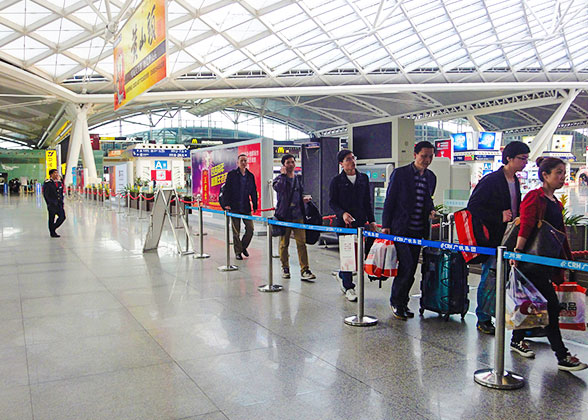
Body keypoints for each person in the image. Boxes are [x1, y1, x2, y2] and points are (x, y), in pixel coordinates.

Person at [510, 157, 587, 371]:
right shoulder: (535, 197)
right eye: (558, 173)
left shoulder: (554, 201)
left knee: (531, 303)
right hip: (531, 261)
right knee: (550, 305)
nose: (563, 177)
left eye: (564, 173)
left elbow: (559, 232)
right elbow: (525, 225)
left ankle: (516, 340)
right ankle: (562, 355)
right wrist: (518, 252)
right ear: (545, 175)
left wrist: (568, 259)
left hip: (545, 262)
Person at [467, 141, 530, 334]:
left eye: (527, 159)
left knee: (500, 278)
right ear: (509, 158)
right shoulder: (492, 179)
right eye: (521, 158)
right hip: (493, 238)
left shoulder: (515, 180)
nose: (525, 163)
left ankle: (495, 314)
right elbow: (473, 206)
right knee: (490, 276)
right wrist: (498, 216)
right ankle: (483, 318)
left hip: (508, 236)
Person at [382, 141, 437, 320]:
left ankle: (403, 302)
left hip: (417, 230)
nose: (427, 160)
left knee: (412, 268)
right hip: (400, 229)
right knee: (405, 267)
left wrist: (432, 209)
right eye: (423, 156)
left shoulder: (431, 177)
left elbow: (427, 199)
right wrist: (386, 225)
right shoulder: (401, 174)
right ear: (415, 155)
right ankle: (396, 301)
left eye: (430, 156)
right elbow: (390, 200)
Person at [329, 149, 377, 302]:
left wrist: (372, 220)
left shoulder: (363, 178)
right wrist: (342, 213)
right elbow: (332, 202)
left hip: (361, 222)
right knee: (348, 255)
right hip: (344, 224)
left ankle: (342, 275)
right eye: (348, 159)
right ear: (341, 164)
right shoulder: (336, 181)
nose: (352, 161)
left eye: (353, 158)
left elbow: (367, 201)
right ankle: (349, 286)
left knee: (359, 255)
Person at [273, 154, 316, 282]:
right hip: (285, 216)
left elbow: (299, 193)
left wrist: (303, 199)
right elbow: (278, 189)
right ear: (284, 165)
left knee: (301, 243)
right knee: (284, 243)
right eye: (288, 162)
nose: (291, 164)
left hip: (298, 216)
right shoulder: (279, 179)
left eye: (293, 162)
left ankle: (305, 269)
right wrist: (283, 176)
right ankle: (285, 267)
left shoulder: (298, 179)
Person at [223, 153, 258, 260]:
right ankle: (238, 252)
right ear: (237, 163)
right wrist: (226, 204)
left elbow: (253, 191)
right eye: (241, 161)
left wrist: (255, 204)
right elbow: (226, 190)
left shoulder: (250, 176)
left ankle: (243, 246)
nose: (243, 163)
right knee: (236, 231)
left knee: (250, 229)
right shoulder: (232, 174)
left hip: (246, 206)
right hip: (234, 206)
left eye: (245, 161)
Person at [43, 169, 66, 238]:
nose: (56, 174)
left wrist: (62, 201)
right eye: (54, 173)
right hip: (52, 204)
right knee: (51, 218)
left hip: (59, 204)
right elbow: (46, 194)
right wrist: (49, 203)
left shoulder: (59, 183)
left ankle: (53, 228)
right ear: (51, 175)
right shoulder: (48, 183)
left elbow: (61, 193)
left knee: (62, 217)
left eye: (57, 173)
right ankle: (52, 233)